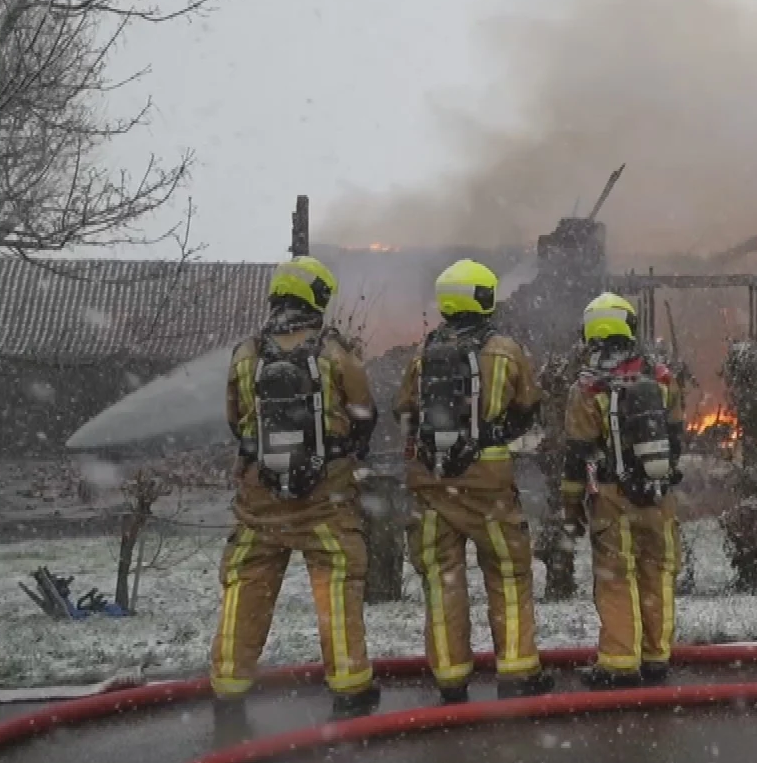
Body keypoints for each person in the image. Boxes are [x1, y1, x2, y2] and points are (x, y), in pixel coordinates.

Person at [210, 255, 379, 721]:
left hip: (259, 500)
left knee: (247, 583)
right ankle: (350, 688)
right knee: (338, 583)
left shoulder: (245, 354)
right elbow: (364, 413)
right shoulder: (335, 353)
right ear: (317, 298)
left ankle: (228, 685)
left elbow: (235, 420)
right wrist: (340, 452)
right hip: (326, 499)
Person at [396, 259, 554, 703]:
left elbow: (403, 408)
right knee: (509, 572)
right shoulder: (505, 349)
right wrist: (496, 431)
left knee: (442, 580)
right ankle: (518, 671)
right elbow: (529, 403)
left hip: (431, 484)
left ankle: (450, 677)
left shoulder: (423, 353)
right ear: (484, 298)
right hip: (489, 486)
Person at [561, 292, 685, 689]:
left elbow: (578, 454)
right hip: (659, 494)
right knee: (658, 573)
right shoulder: (662, 377)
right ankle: (656, 657)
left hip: (613, 497)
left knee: (615, 578)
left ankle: (618, 663)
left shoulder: (587, 388)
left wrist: (571, 505)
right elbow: (676, 436)